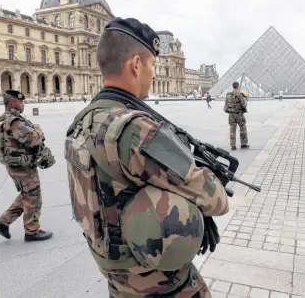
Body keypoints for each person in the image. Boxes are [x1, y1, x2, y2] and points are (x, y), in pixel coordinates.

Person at [65, 17, 230, 297]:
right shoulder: (134, 130)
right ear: (136, 65)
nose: (154, 74)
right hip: (158, 283)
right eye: (152, 64)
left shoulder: (82, 122)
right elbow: (216, 199)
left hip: (117, 277)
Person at [0, 90, 53, 242]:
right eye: (21, 102)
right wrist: (38, 129)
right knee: (33, 196)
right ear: (12, 103)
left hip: (14, 165)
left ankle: (3, 222)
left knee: (28, 193)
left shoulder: (2, 119)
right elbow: (32, 139)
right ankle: (32, 231)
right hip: (23, 166)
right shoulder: (15, 122)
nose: (23, 104)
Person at [224, 82, 250, 150]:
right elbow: (244, 105)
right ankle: (243, 144)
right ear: (238, 86)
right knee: (242, 129)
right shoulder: (239, 94)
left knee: (232, 130)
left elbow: (226, 106)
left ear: (233, 86)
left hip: (231, 115)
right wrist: (245, 102)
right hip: (239, 114)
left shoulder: (228, 95)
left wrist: (229, 111)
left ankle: (233, 146)